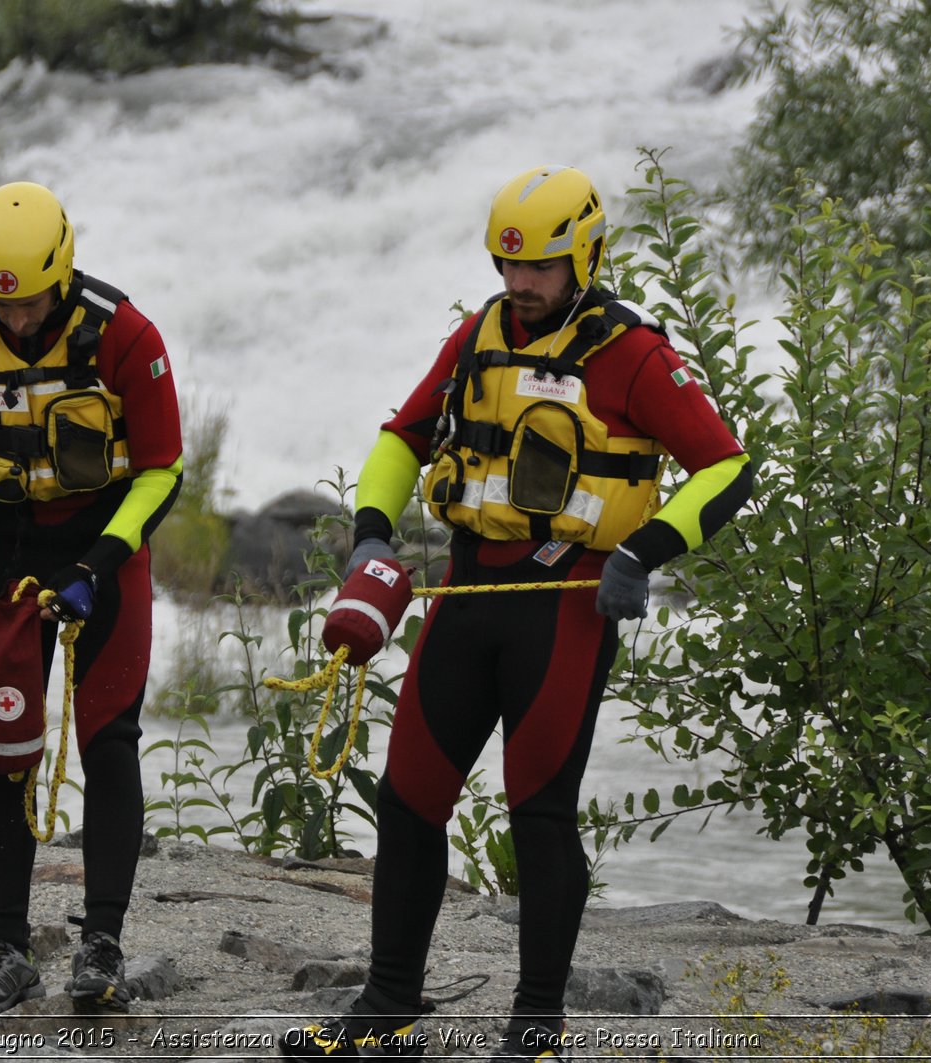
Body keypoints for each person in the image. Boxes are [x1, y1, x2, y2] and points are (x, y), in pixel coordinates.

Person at [279, 166, 752, 1060]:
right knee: (408, 798)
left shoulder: (636, 355)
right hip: (469, 590)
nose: (520, 286)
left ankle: (535, 1029)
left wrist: (643, 552)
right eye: (508, 267)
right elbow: (401, 438)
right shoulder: (479, 335)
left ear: (586, 255)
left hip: (567, 607)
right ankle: (388, 1012)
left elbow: (729, 468)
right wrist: (373, 532)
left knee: (540, 814)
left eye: (539, 268)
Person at [0, 181, 183, 1018]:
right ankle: (7, 947)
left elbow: (164, 468)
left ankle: (101, 945)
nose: (18, 321)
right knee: (8, 744)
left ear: (60, 273)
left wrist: (100, 563)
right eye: (5, 308)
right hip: (8, 551)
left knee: (108, 738)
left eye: (30, 306)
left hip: (107, 547)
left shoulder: (126, 336)